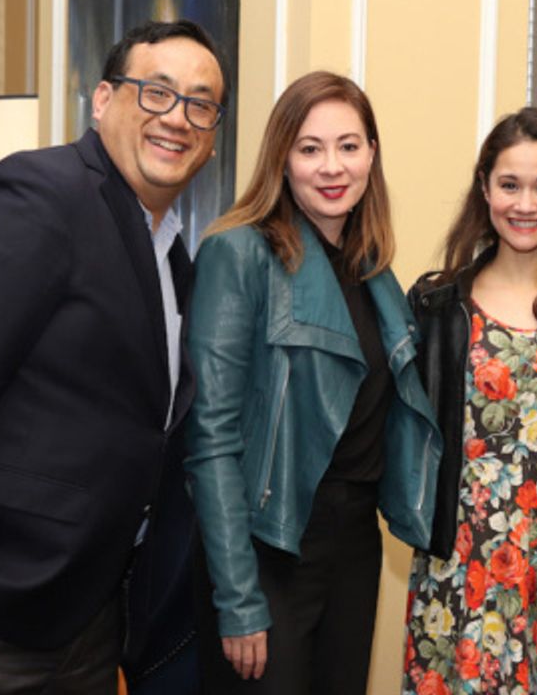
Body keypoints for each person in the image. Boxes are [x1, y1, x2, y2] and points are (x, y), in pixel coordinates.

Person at [0, 19, 230, 693]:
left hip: (87, 623)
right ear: (104, 100)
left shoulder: (175, 255)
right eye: (156, 92)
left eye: (201, 104)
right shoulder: (34, 196)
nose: (178, 118)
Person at [184, 70, 442, 695]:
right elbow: (211, 438)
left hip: (355, 546)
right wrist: (239, 597)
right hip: (268, 547)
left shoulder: (375, 272)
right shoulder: (239, 252)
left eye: (348, 146)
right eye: (310, 148)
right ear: (283, 158)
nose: (332, 166)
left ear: (372, 154)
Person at [401, 107, 537, 695]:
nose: (526, 204)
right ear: (485, 189)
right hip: (461, 566)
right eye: (509, 185)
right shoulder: (437, 305)